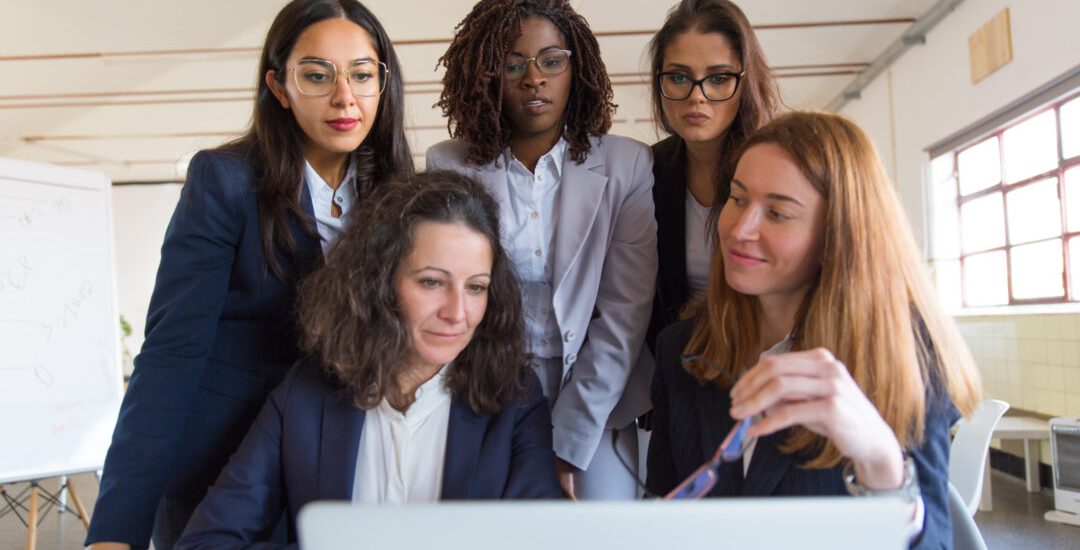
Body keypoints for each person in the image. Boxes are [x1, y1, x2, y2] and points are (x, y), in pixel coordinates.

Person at [85, 1, 412, 548]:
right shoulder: (227, 182)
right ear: (279, 86)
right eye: (317, 76)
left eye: (361, 74)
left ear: (383, 82)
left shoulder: (400, 194)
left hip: (340, 471)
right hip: (218, 469)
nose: (344, 97)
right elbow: (170, 356)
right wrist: (116, 530)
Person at [646, 112, 982, 549]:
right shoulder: (682, 349)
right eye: (737, 198)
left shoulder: (904, 356)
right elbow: (663, 517)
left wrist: (880, 460)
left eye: (778, 213)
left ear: (837, 236)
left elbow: (934, 542)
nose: (740, 230)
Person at [174, 171, 562, 548]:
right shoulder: (307, 392)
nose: (457, 313)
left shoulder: (516, 397)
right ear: (380, 282)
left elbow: (545, 543)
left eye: (476, 287)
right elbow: (205, 542)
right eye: (431, 282)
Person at [427, 0, 657, 500]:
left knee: (602, 528)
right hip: (489, 385)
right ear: (487, 76)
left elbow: (624, 315)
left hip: (598, 389)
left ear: (576, 69)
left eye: (552, 61)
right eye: (513, 65)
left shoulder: (627, 166)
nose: (534, 79)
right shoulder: (449, 165)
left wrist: (568, 442)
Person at [646, 0, 781, 350]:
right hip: (679, 361)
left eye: (719, 79)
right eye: (679, 77)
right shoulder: (648, 170)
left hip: (770, 353)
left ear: (746, 81)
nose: (697, 97)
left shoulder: (782, 168)